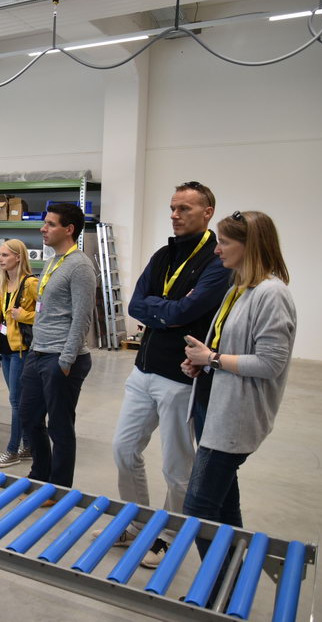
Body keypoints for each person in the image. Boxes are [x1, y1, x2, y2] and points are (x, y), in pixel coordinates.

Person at [103, 181, 230, 568]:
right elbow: (136, 305)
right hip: (143, 369)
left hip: (181, 377)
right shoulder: (163, 255)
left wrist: (161, 308)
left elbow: (183, 312)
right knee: (123, 450)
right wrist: (168, 309)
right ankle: (137, 522)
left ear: (207, 212)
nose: (175, 215)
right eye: (173, 208)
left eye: (184, 209)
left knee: (177, 466)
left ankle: (170, 536)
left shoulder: (216, 261)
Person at [181, 211, 295, 555]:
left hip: (233, 419)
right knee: (224, 506)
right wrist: (202, 363)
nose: (217, 250)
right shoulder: (239, 289)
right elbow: (229, 349)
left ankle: (217, 584)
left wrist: (213, 359)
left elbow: (270, 363)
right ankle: (232, 580)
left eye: (225, 242)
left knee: (198, 509)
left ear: (251, 246)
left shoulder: (271, 294)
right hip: (212, 408)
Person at [18, 203, 96, 488]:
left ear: (69, 229)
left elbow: (82, 317)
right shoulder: (53, 261)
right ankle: (40, 476)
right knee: (29, 417)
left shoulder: (81, 267)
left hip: (61, 357)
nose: (43, 229)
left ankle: (59, 487)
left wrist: (66, 359)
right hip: (38, 352)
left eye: (50, 224)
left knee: (60, 428)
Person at [0, 239, 38, 468]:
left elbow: (48, 313)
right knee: (18, 400)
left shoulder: (31, 284)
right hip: (6, 349)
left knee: (16, 401)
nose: (0, 259)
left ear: (18, 257)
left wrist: (24, 316)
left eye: (5, 255)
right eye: (0, 255)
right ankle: (28, 445)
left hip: (21, 351)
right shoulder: (1, 284)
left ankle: (12, 451)